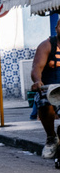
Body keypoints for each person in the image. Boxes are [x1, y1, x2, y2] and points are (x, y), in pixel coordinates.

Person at [29, 17, 60, 159]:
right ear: (56, 28)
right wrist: (37, 81)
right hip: (51, 90)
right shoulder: (47, 45)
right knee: (43, 102)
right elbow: (37, 67)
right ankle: (51, 138)